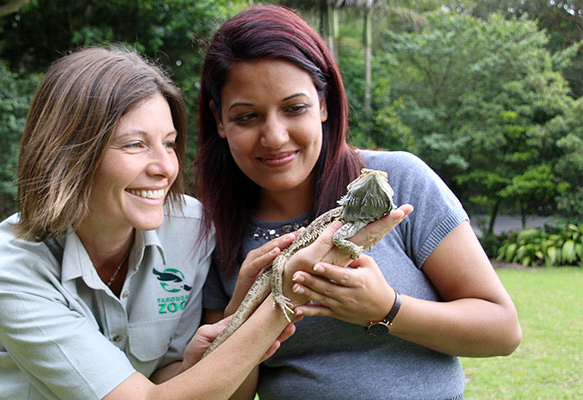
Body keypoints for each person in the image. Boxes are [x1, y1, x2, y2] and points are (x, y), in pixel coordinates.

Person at [196, 5, 522, 400]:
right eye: (247, 117)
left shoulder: (395, 181)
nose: (275, 136)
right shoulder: (215, 228)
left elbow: (503, 330)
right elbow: (231, 393)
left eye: (294, 108)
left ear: (324, 103)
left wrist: (386, 308)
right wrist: (241, 316)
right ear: (219, 120)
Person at [0, 45, 305, 400]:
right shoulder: (11, 270)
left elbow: (163, 377)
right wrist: (281, 300)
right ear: (69, 154)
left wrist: (235, 322)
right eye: (135, 145)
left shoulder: (190, 231)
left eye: (169, 144)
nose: (165, 168)